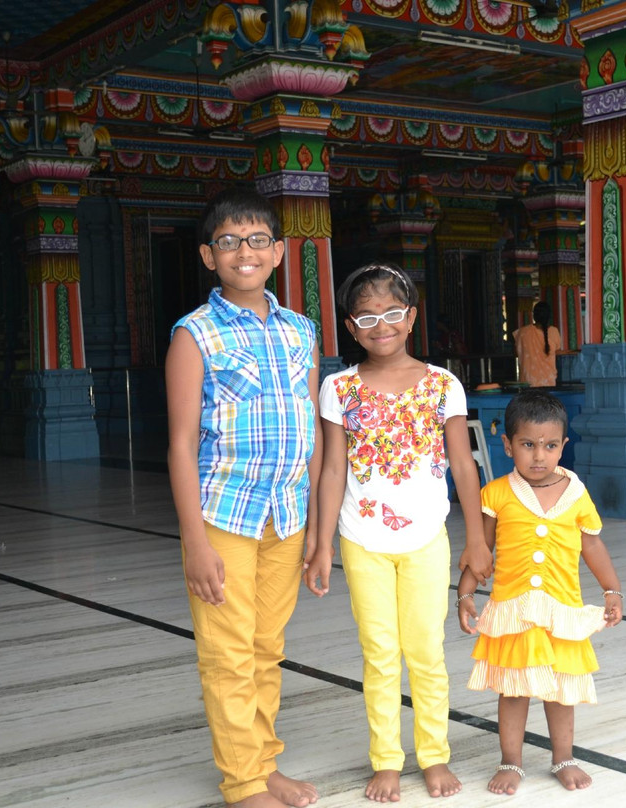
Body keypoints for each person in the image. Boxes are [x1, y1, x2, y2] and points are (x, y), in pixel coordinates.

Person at [305, 262, 493, 803]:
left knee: (426, 651)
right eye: (366, 316)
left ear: (411, 318)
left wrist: (477, 540)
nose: (380, 325)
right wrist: (320, 546)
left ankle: (434, 754)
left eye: (392, 313)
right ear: (350, 325)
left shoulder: (442, 385)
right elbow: (332, 471)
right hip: (360, 539)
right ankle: (387, 759)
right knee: (380, 651)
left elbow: (463, 467)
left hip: (427, 541)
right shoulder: (338, 387)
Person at [166, 187, 322, 808]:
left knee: (266, 649)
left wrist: (314, 526)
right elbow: (180, 444)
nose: (244, 252)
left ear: (279, 251)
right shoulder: (194, 333)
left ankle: (263, 765)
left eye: (258, 240)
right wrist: (195, 542)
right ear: (209, 256)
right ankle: (243, 785)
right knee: (228, 654)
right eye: (228, 242)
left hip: (286, 512)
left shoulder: (300, 330)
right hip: (223, 513)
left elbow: (310, 428)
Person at [456, 390, 623, 795]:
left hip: (561, 611)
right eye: (528, 445)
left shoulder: (576, 494)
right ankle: (511, 761)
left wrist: (611, 590)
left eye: (550, 446)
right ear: (508, 444)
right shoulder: (496, 494)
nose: (538, 456)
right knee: (514, 690)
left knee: (560, 689)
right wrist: (464, 595)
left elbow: (593, 545)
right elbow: (480, 551)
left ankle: (563, 757)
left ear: (563, 446)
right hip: (515, 612)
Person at [513, 300, 561, 387]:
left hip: (527, 383)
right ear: (548, 316)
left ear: (534, 315)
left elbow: (516, 352)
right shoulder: (554, 332)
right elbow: (557, 351)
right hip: (549, 382)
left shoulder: (522, 332)